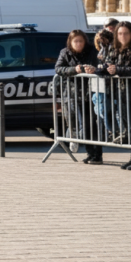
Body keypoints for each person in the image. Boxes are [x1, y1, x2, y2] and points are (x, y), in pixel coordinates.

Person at [99, 21, 131, 170]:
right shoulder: (115, 48)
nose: (123, 36)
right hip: (120, 93)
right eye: (120, 33)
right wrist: (98, 70)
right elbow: (109, 66)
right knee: (128, 127)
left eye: (126, 33)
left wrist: (118, 70)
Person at [54, 30, 99, 164]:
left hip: (89, 91)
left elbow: (100, 65)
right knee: (73, 120)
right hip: (72, 92)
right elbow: (58, 69)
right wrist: (74, 70)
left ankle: (96, 154)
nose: (78, 44)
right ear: (70, 42)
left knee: (90, 123)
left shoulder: (92, 51)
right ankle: (84, 149)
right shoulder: (65, 52)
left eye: (81, 41)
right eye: (76, 41)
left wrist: (93, 69)